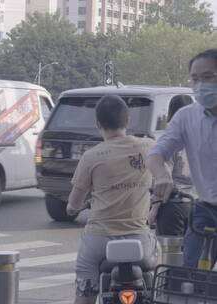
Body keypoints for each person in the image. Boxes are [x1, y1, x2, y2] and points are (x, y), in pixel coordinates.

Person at [66, 95, 157, 304]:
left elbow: (74, 203)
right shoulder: (149, 147)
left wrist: (73, 209)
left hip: (98, 241)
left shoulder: (91, 156)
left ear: (98, 124)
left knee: (85, 288)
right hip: (140, 241)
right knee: (157, 261)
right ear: (127, 121)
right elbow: (164, 176)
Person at [148, 49, 217, 268]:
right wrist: (161, 176)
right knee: (190, 275)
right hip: (206, 209)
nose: (201, 85)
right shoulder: (187, 116)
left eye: (208, 77)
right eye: (195, 79)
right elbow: (156, 154)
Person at [148, 95, 194, 236]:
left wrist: (155, 208)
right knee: (197, 255)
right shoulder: (202, 136)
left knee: (171, 255)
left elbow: (165, 176)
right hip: (200, 205)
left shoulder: (171, 139)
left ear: (171, 114)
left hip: (174, 204)